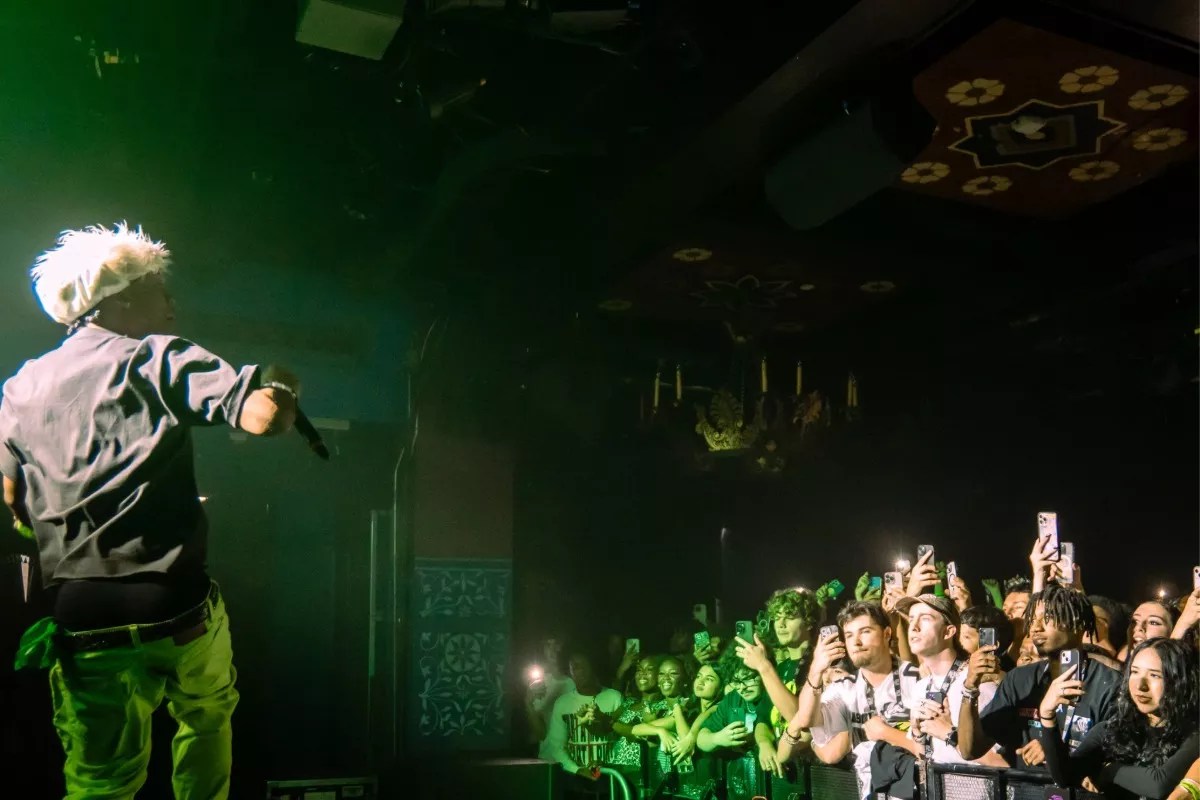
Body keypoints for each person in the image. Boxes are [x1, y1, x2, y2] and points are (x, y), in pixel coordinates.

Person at [1, 223, 299, 799]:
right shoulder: (157, 357)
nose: (171, 306)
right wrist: (281, 383)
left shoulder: (21, 387)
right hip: (174, 603)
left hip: (83, 616)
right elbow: (266, 418)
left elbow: (12, 499)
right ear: (120, 300)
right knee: (206, 716)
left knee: (100, 781)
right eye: (160, 291)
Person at [957, 584, 1121, 768]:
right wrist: (970, 687)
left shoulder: (1110, 684)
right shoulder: (1019, 679)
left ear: (1078, 624)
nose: (1035, 627)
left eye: (1048, 617)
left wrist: (1054, 748)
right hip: (1023, 786)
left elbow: (1116, 759)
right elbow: (969, 750)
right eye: (1032, 619)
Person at [780, 601, 921, 799]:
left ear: (887, 634)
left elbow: (938, 751)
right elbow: (806, 719)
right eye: (849, 635)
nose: (856, 642)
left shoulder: (917, 679)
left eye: (865, 632)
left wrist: (886, 733)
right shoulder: (845, 687)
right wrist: (816, 670)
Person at [1039, 638, 1199, 799]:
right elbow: (1065, 777)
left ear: (1181, 681)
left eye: (1154, 675)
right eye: (1135, 672)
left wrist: (1109, 771)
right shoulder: (1111, 729)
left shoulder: (1194, 734)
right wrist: (1047, 717)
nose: (1140, 686)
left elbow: (1159, 785)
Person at [540, 650, 623, 780]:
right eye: (574, 667)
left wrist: (605, 766)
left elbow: (621, 740)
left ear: (593, 667)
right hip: (574, 778)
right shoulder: (563, 703)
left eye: (583, 666)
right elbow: (557, 746)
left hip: (610, 776)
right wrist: (577, 770)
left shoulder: (614, 697)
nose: (579, 671)